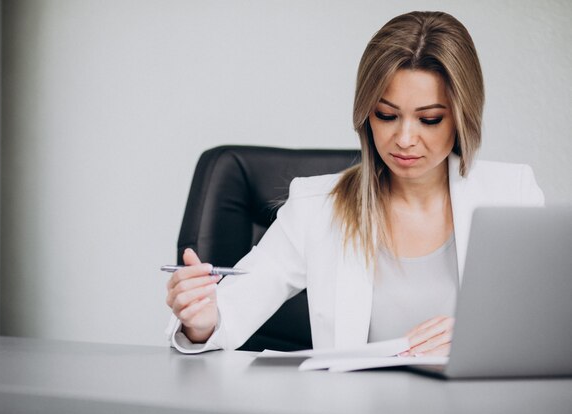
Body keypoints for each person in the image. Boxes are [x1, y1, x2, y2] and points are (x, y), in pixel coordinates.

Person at [165, 11, 544, 355]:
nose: (405, 138)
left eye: (429, 119)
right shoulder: (318, 207)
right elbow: (226, 316)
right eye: (386, 115)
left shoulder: (513, 196)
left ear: (463, 117)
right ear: (366, 114)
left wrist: (478, 339)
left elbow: (547, 329)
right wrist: (200, 319)